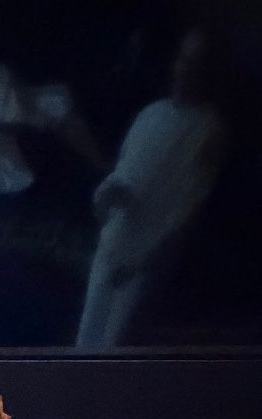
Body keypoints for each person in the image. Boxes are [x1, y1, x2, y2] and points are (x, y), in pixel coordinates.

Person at [76, 28, 227, 350]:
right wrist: (107, 198)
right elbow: (120, 175)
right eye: (183, 60)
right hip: (113, 244)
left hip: (145, 259)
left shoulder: (208, 128)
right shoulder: (151, 114)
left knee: (114, 346)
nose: (184, 71)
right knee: (86, 341)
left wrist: (142, 262)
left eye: (197, 65)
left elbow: (187, 212)